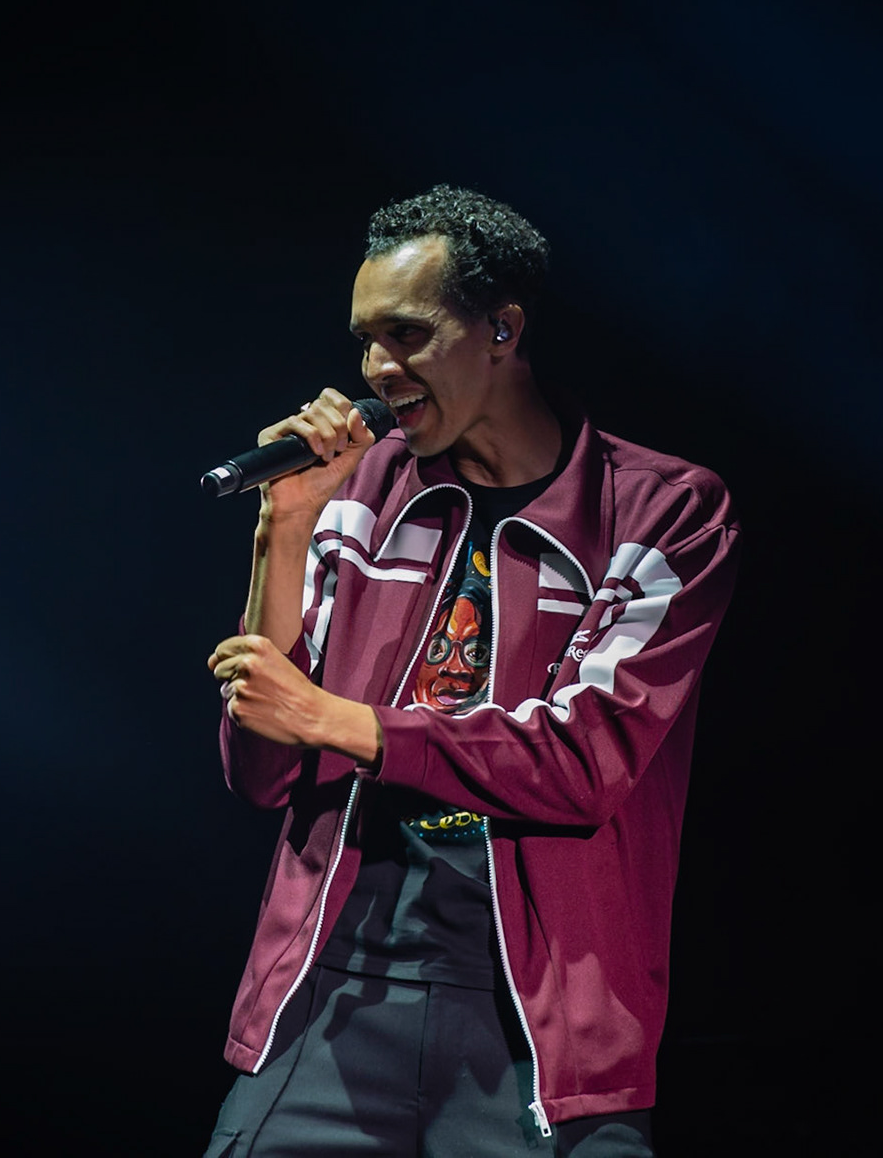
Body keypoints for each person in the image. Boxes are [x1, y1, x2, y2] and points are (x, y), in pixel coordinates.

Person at [205, 185, 741, 1156]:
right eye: (366, 339)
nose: (377, 368)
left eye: (407, 335)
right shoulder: (358, 493)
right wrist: (283, 531)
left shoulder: (662, 512)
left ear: (503, 327)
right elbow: (263, 772)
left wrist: (341, 721)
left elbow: (586, 758)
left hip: (540, 1031)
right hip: (327, 997)